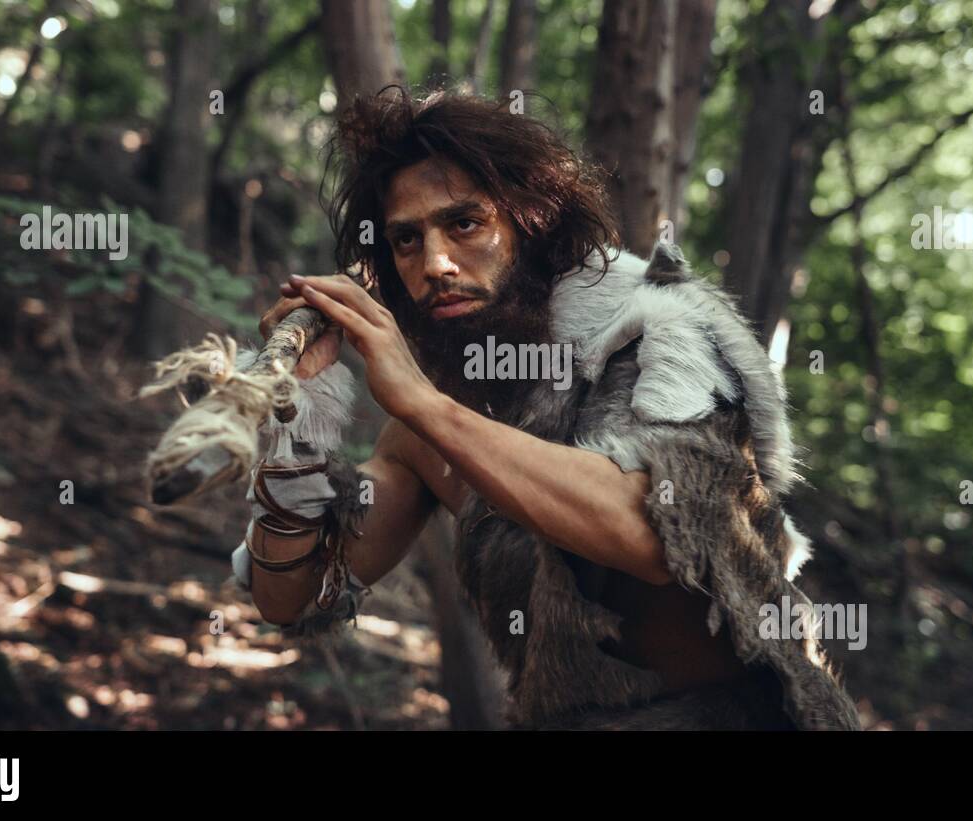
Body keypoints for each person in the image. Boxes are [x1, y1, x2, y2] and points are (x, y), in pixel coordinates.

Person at [233, 87, 859, 730]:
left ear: (531, 216)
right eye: (407, 240)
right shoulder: (431, 427)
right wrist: (298, 422)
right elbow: (294, 595)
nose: (437, 263)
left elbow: (655, 534)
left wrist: (423, 402)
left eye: (464, 223)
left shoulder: (658, 329)